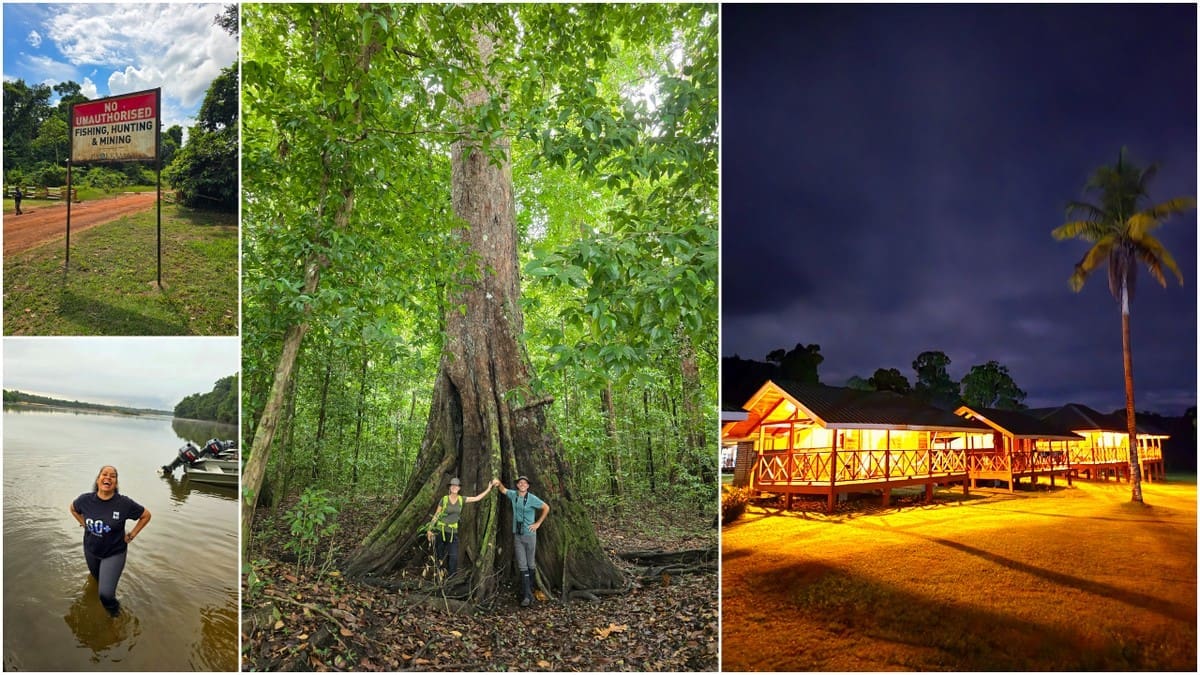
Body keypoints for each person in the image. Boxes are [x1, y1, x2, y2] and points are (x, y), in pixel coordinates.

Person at [69, 465, 151, 616]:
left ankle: (115, 616)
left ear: (116, 482)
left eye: (112, 476)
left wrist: (131, 535)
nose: (108, 477)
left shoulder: (124, 504)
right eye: (104, 474)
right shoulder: (85, 500)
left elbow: (146, 515)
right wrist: (84, 523)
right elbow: (73, 508)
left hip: (114, 553)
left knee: (106, 595)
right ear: (98, 479)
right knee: (96, 579)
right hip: (91, 550)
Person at [494, 475, 549, 607]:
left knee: (530, 564)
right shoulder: (514, 495)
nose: (522, 484)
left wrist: (538, 523)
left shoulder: (532, 498)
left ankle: (528, 591)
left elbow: (546, 507)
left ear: (528, 486)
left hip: (530, 535)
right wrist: (498, 482)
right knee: (522, 565)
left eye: (525, 483)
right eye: (520, 483)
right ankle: (527, 595)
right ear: (518, 485)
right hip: (517, 535)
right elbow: (503, 490)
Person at [426, 477, 494, 578]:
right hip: (440, 531)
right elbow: (436, 515)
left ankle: (451, 579)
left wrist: (489, 489)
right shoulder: (444, 500)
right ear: (450, 487)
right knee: (439, 555)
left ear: (459, 488)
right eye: (452, 486)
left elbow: (477, 498)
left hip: (453, 532)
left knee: (453, 556)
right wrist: (429, 529)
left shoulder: (461, 499)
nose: (454, 487)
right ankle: (438, 577)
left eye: (456, 486)